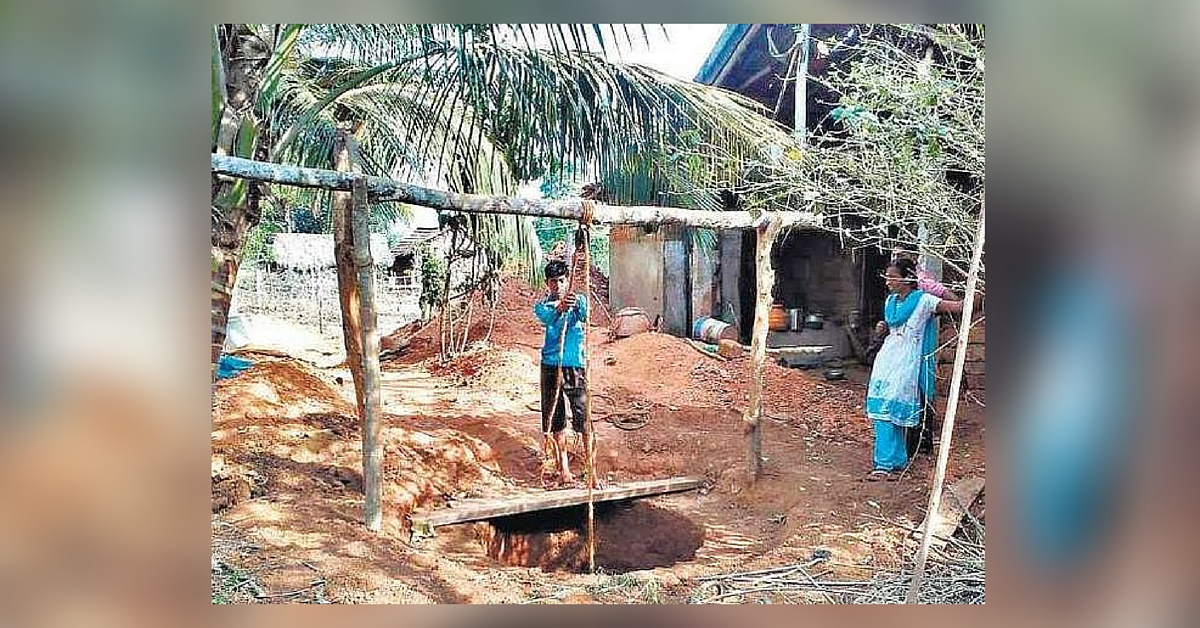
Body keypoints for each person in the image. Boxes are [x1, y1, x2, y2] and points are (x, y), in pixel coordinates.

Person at [865, 258, 964, 481]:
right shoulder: (890, 302)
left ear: (908, 278)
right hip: (886, 361)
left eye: (893, 277)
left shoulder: (926, 301)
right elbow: (891, 328)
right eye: (887, 276)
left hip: (906, 364)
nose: (888, 281)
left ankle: (883, 465)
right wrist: (881, 329)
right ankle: (896, 461)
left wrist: (940, 289)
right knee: (883, 409)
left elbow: (959, 307)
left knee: (890, 411)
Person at [533, 259, 589, 487]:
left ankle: (591, 470)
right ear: (547, 283)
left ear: (568, 281)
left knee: (583, 417)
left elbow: (586, 315)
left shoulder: (578, 301)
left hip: (574, 365)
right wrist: (559, 308)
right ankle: (564, 469)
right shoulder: (543, 306)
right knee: (555, 420)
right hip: (550, 365)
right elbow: (546, 318)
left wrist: (574, 305)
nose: (558, 284)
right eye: (553, 281)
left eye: (562, 280)